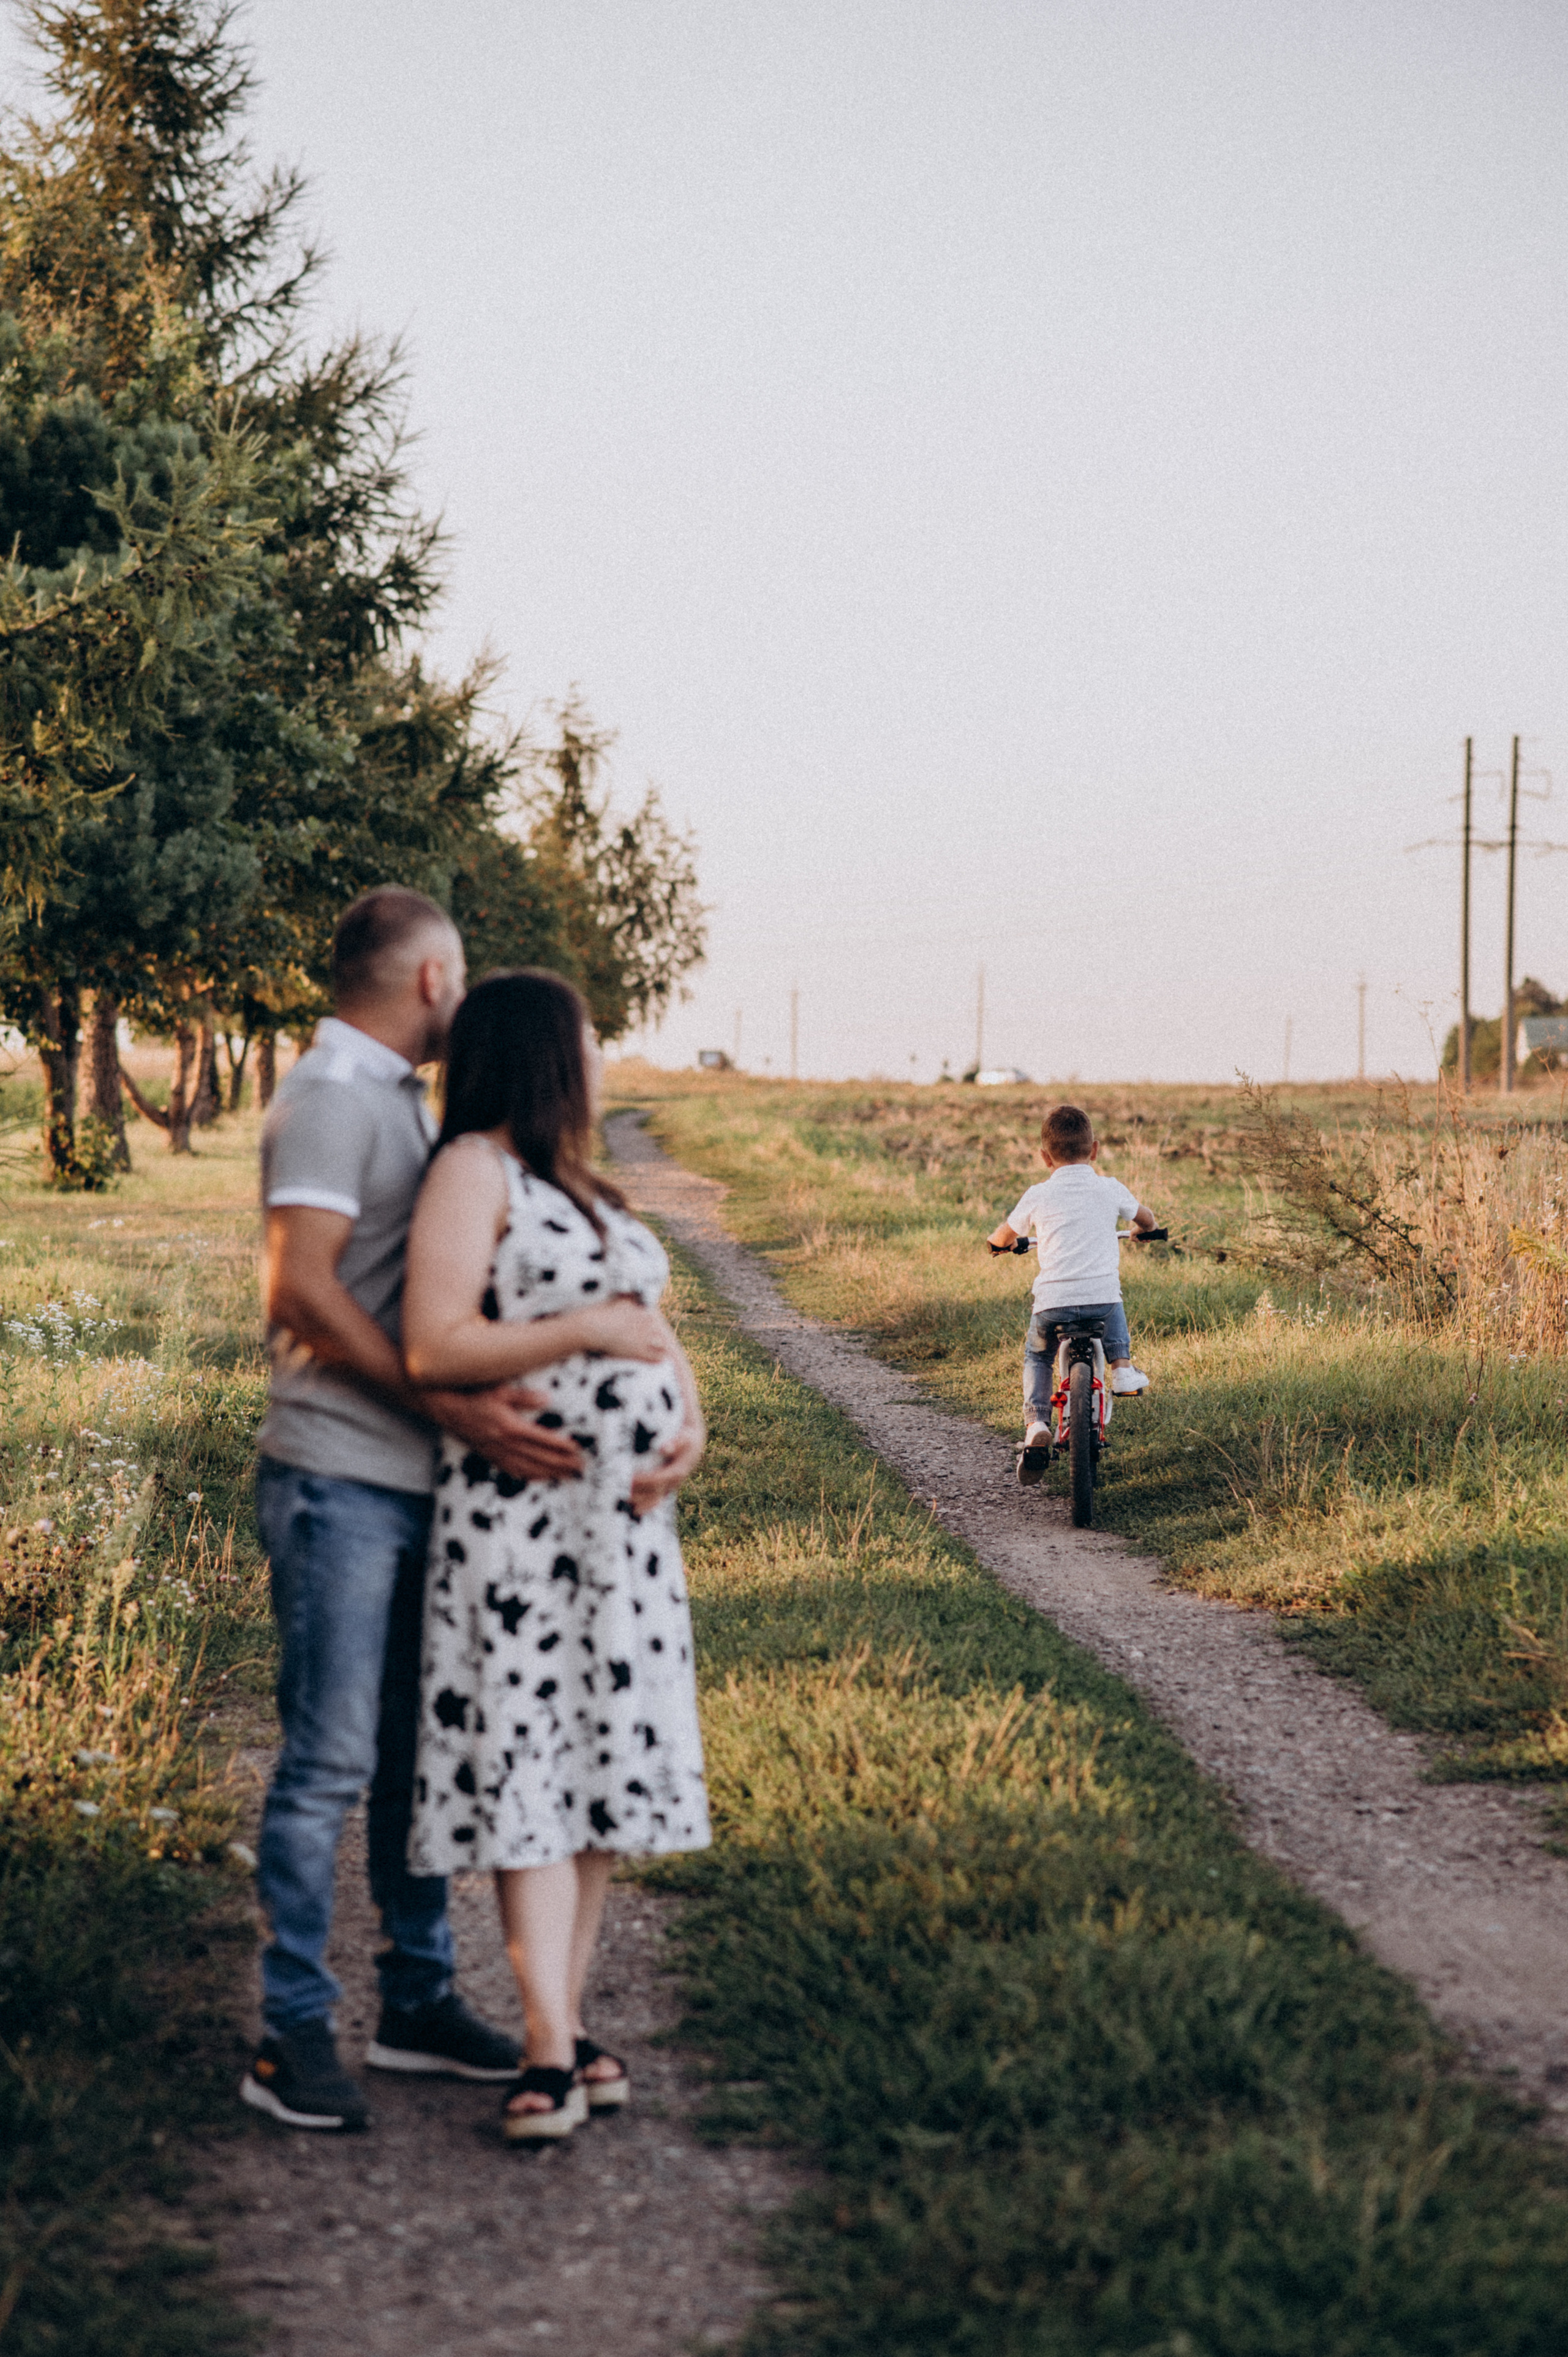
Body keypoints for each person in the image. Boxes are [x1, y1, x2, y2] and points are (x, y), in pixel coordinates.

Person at [242, 888, 590, 2135]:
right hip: (339, 1479)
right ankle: (287, 2031)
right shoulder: (335, 1095)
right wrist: (446, 1406)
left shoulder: (390, 1095)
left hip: (407, 1483)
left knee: (409, 1755)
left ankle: (415, 2001)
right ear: (434, 976)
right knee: (332, 1758)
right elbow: (298, 1291)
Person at [401, 968, 710, 2144]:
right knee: (528, 1766)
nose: (599, 1056)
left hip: (623, 1535)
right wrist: (583, 1330)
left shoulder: (582, 1187)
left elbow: (656, 1330)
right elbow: (436, 1342)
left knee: (598, 1775)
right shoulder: (470, 1169)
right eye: (586, 1038)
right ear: (542, 1051)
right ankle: (544, 2046)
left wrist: (689, 1427)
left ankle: (567, 2026)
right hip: (519, 1526)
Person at [987, 1102, 1156, 1486]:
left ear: (1045, 1157)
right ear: (1094, 1150)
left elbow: (1002, 1236)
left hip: (1052, 1304)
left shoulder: (1037, 1194)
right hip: (1100, 1300)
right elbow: (1144, 1217)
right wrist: (1145, 1229)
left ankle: (1036, 1424)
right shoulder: (1109, 1187)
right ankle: (1123, 1371)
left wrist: (998, 1245)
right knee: (1111, 1300)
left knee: (1037, 1355)